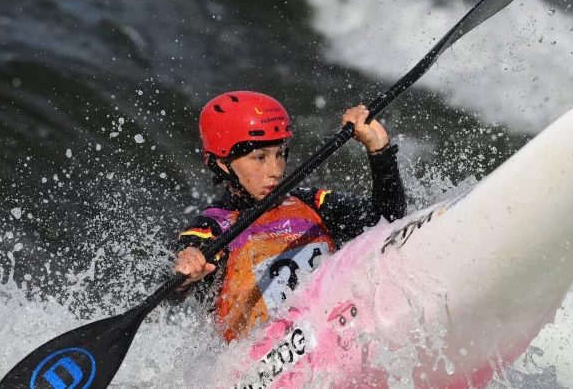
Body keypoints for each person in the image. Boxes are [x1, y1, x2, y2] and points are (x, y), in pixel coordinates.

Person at [171, 90, 406, 342]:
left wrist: (378, 150)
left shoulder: (312, 203)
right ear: (222, 163)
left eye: (280, 154)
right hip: (260, 366)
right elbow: (172, 291)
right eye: (259, 158)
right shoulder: (211, 228)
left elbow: (387, 222)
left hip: (333, 332)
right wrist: (185, 274)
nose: (275, 170)